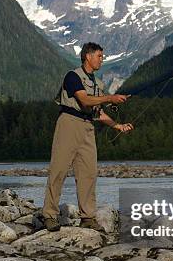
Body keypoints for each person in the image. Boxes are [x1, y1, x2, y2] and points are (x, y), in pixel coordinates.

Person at [42, 42, 133, 231]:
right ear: (88, 57)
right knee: (58, 170)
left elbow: (98, 112)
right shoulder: (73, 76)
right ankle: (49, 215)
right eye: (99, 56)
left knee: (88, 173)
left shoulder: (98, 83)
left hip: (88, 126)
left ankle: (88, 217)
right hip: (69, 123)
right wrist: (110, 98)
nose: (102, 59)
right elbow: (84, 100)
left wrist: (117, 126)